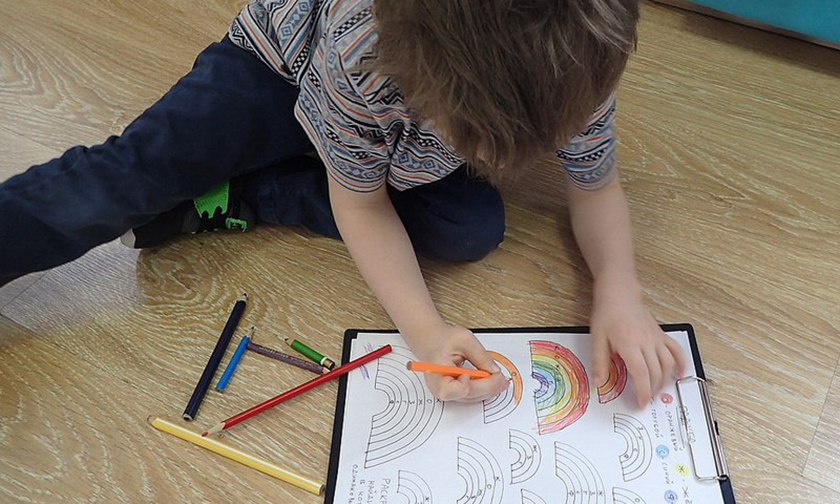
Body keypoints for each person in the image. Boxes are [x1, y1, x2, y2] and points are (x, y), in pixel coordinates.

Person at [0, 0, 685, 406]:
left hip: (390, 124)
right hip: (274, 66)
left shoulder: (578, 56)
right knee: (131, 174)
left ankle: (242, 192)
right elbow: (361, 206)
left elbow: (595, 185)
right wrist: (424, 332)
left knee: (468, 227)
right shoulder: (367, 56)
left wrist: (619, 289)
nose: (505, 169)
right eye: (483, 146)